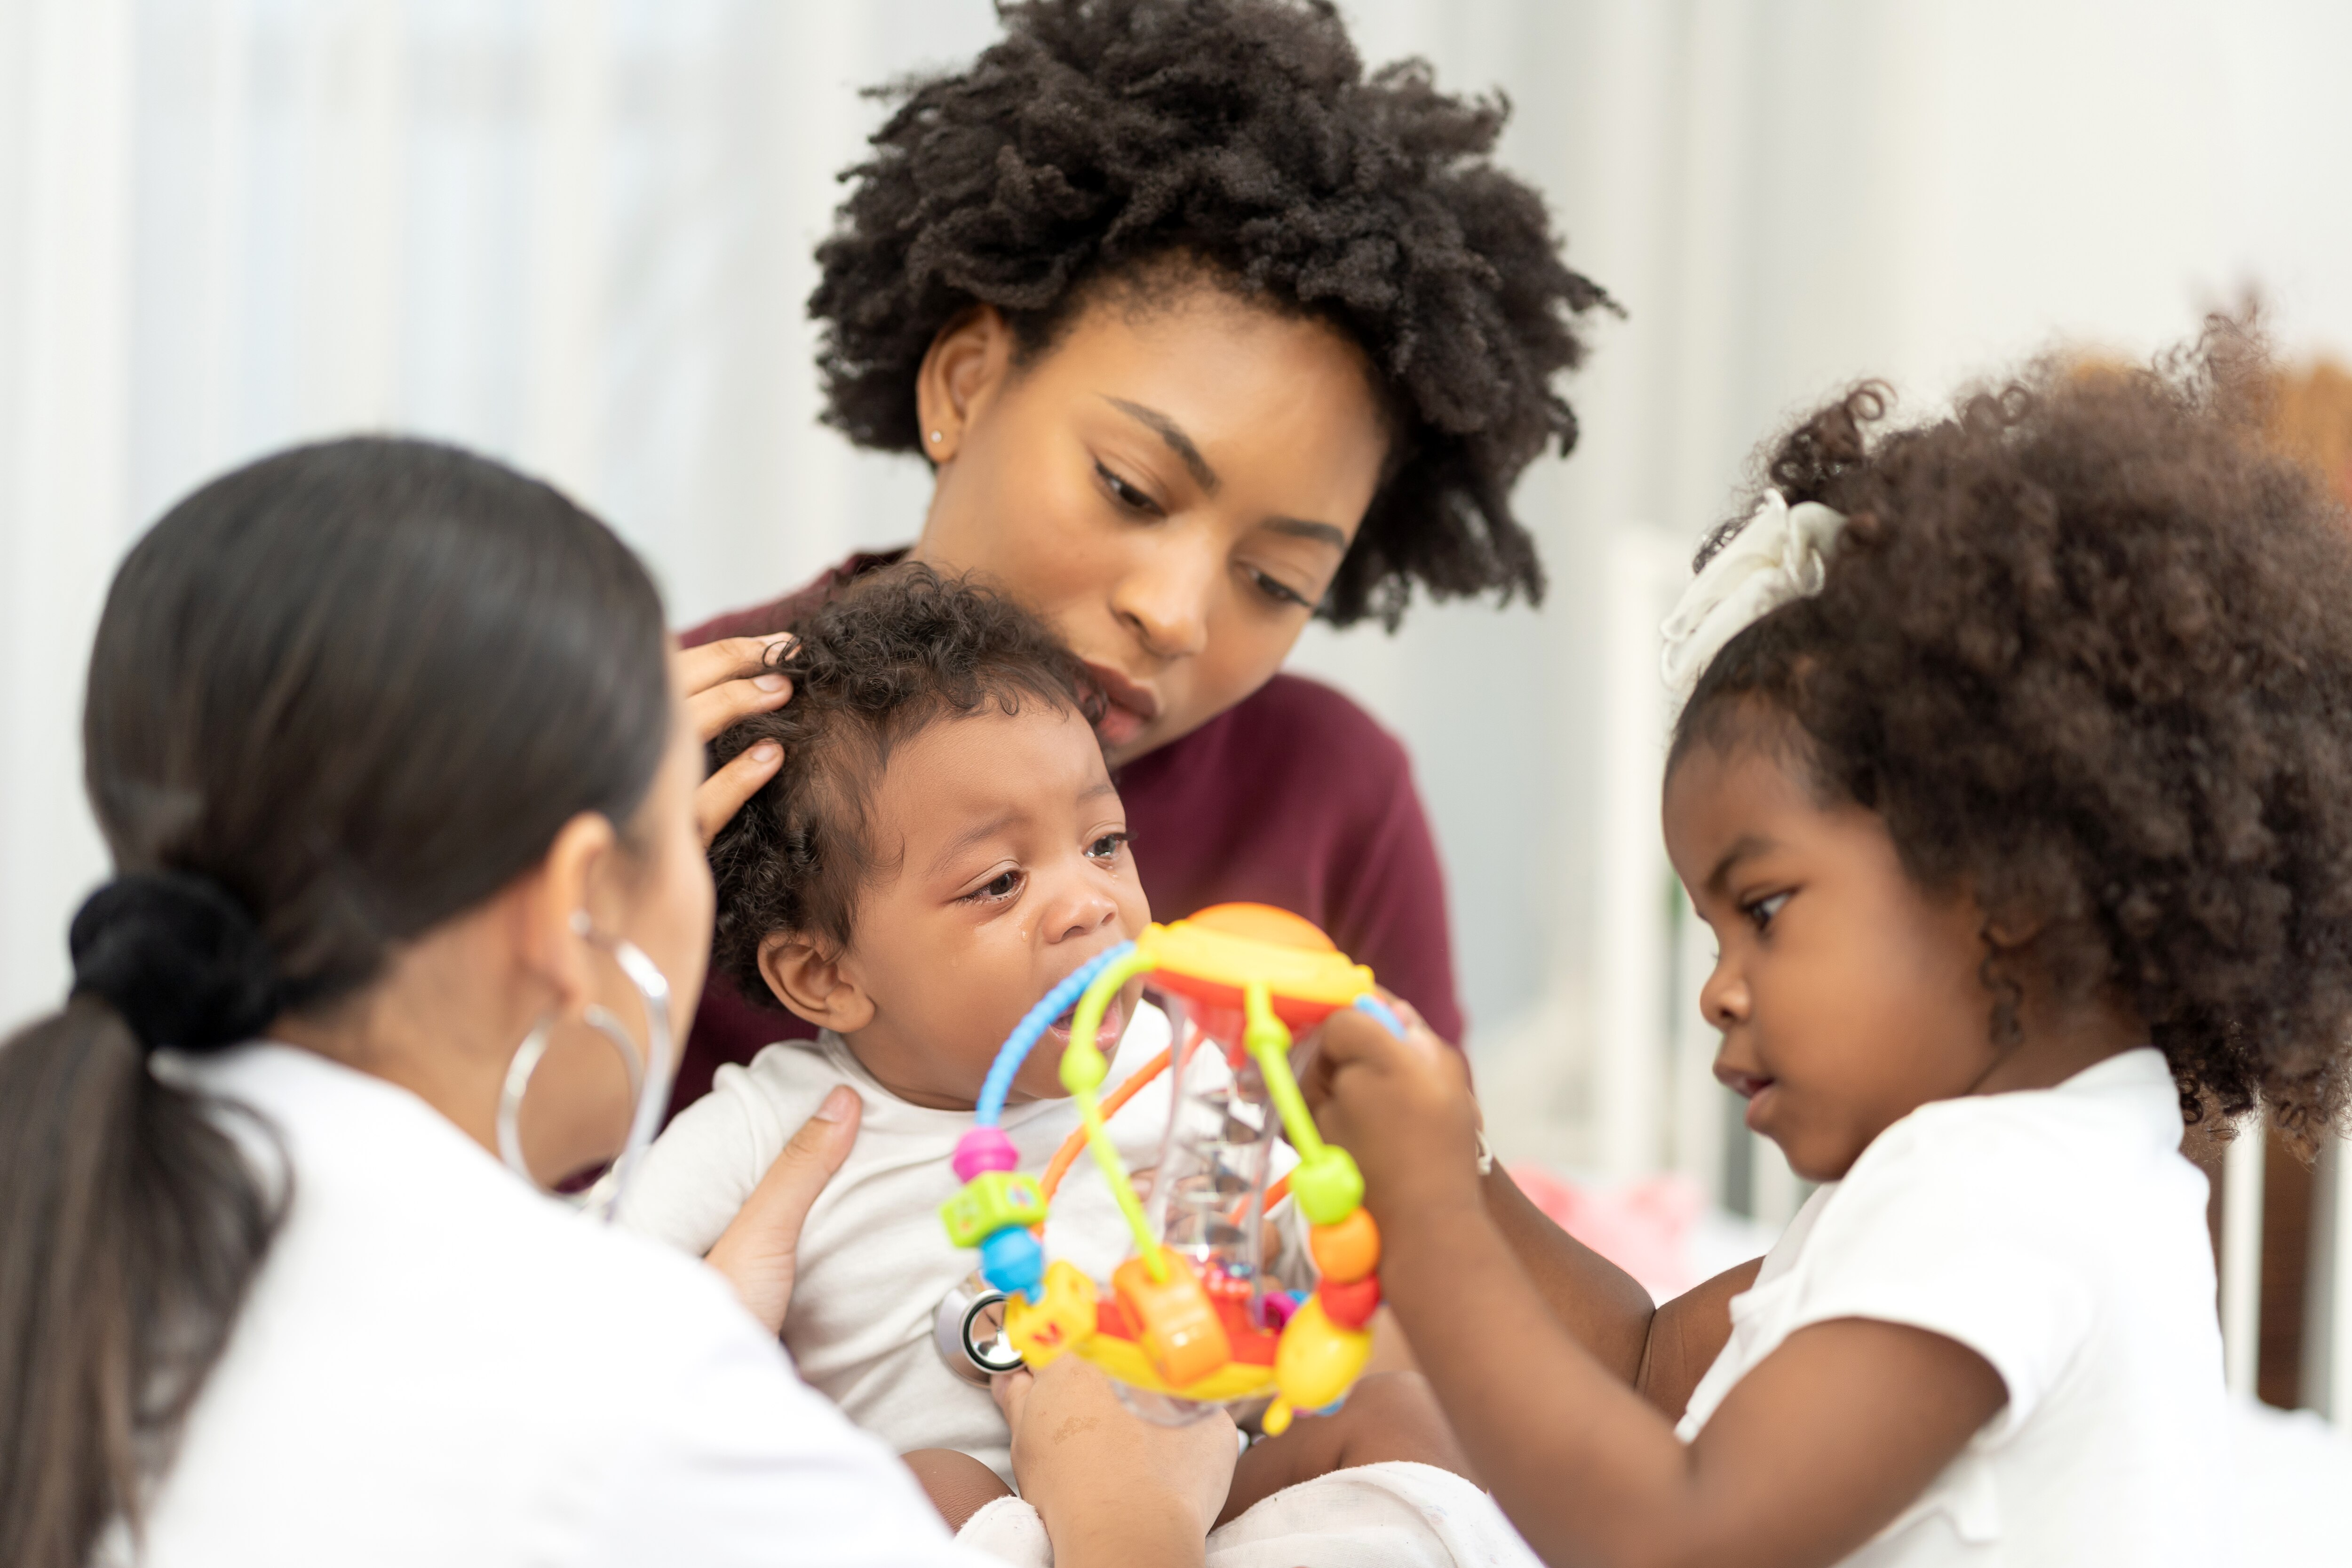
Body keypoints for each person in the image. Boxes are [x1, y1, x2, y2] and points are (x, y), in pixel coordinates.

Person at [0, 438, 1238, 1568]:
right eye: (683, 836)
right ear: (580, 900)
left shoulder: (78, 1229)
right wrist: (1126, 1510)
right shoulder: (630, 1396)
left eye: (1106, 843)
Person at [1303, 337, 2352, 1565]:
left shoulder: (2005, 1193)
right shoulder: (2030, 1166)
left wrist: (1429, 1220)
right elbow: (1642, 1365)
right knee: (1390, 1427)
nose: (1716, 989)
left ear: (2006, 882)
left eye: (1763, 907)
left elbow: (1679, 1536)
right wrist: (1455, 1161)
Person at [673, 0, 1617, 1115]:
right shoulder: (679, 752)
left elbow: (1436, 1203)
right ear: (964, 384)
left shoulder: (1333, 797)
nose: (1174, 615)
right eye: (1130, 488)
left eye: (1274, 582)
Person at [621, 565, 1484, 1540]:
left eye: (1104, 843)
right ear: (824, 974)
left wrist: (1297, 1281)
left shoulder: (1179, 1060)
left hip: (1197, 1490)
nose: (1089, 903)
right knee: (933, 1482)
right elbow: (584, 1293)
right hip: (959, 1528)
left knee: (1400, 1413)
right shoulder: (771, 1124)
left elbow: (1301, 1251)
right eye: (999, 881)